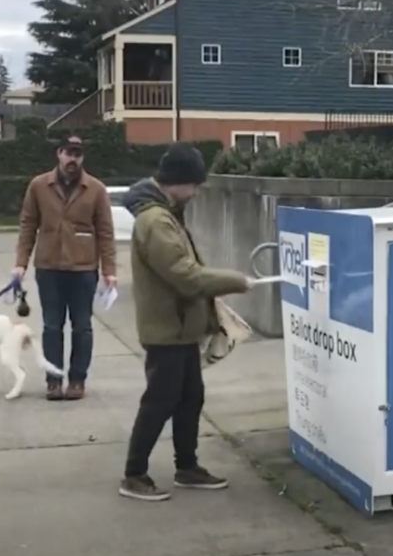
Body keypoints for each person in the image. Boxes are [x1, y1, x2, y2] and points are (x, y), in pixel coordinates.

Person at [119, 142, 253, 501]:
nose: (196, 192)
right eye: (194, 184)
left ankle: (187, 467)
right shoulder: (157, 221)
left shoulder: (164, 213)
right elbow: (185, 276)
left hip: (179, 329)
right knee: (159, 402)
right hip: (167, 331)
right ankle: (134, 474)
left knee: (190, 398)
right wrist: (235, 282)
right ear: (176, 182)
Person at [13, 135, 116, 402]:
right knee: (51, 327)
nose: (73, 159)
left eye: (78, 154)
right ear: (58, 154)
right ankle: (54, 380)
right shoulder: (38, 186)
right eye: (68, 153)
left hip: (83, 270)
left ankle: (78, 380)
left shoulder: (95, 189)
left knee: (82, 327)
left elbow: (106, 232)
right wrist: (20, 264)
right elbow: (27, 226)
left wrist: (110, 270)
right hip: (49, 268)